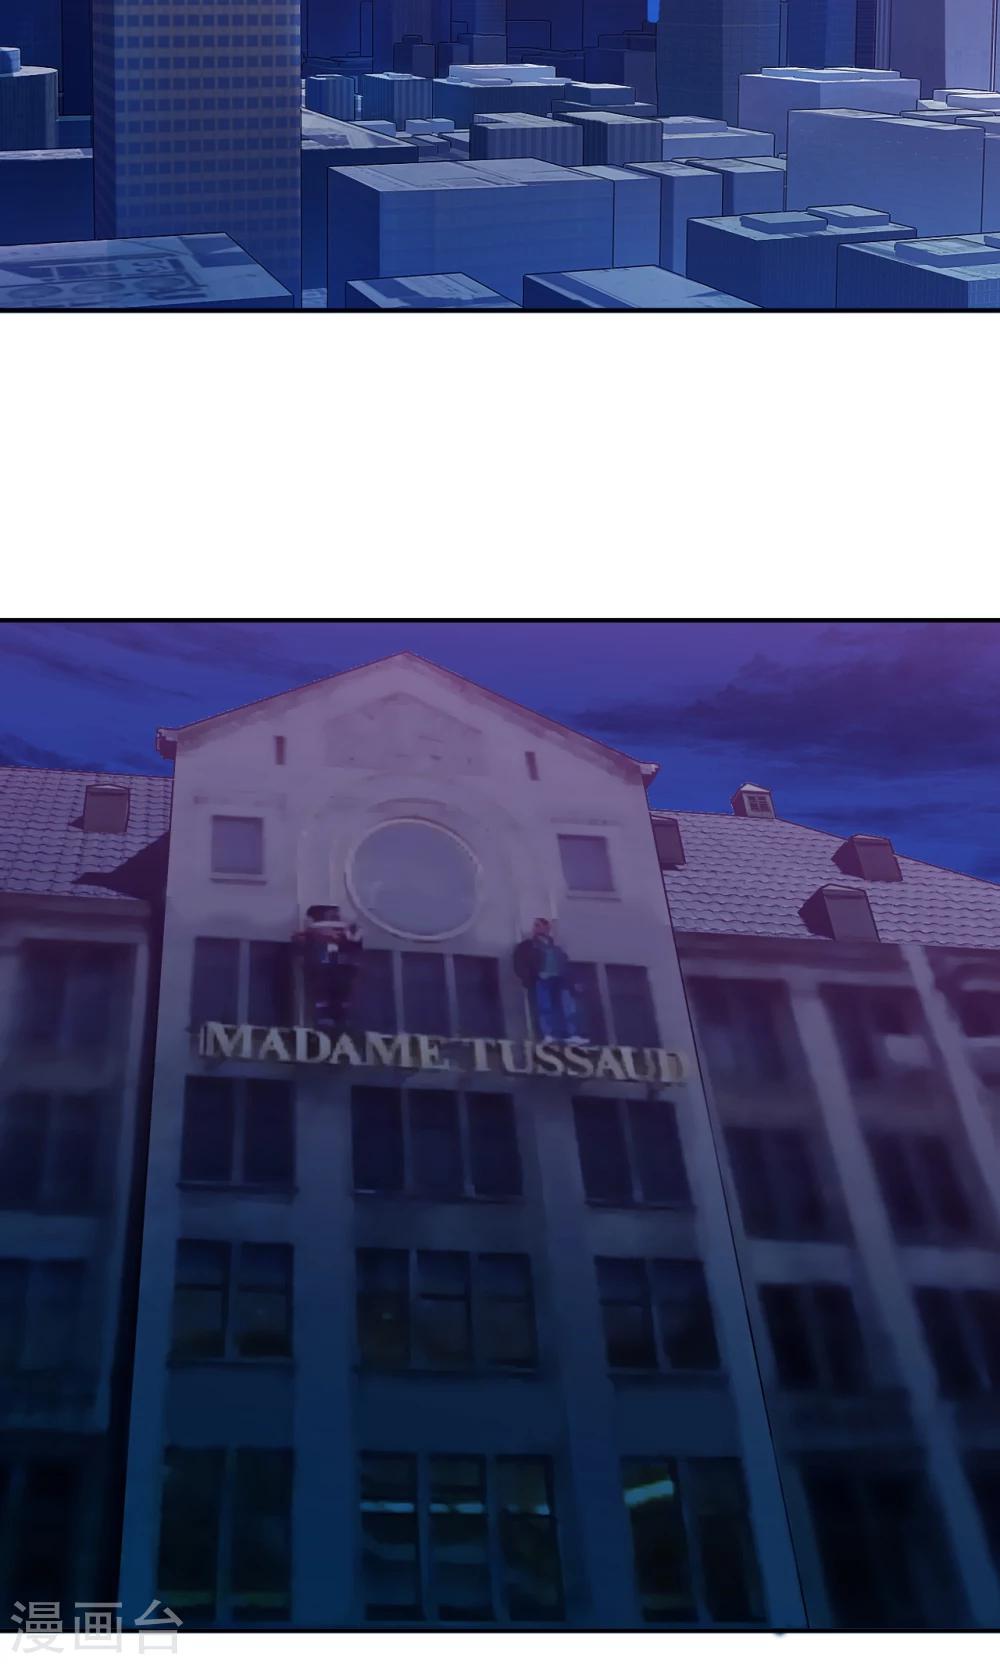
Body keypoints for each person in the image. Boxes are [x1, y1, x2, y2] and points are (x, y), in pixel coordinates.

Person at [513, 917, 588, 1043]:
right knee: (545, 1007)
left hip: (560, 980)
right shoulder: (527, 946)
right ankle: (548, 1034)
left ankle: (570, 1034)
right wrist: (526, 977)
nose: (535, 928)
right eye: (534, 926)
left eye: (538, 925)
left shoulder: (556, 949)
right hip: (541, 979)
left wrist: (574, 982)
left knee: (566, 1007)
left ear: (547, 928)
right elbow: (519, 963)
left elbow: (566, 966)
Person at [294, 906, 364, 1028]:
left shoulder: (347, 932)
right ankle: (326, 1024)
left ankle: (340, 1024)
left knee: (342, 1001)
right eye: (332, 914)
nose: (336, 916)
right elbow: (300, 943)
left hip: (341, 973)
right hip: (322, 972)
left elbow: (356, 941)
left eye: (336, 914)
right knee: (323, 1000)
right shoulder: (311, 933)